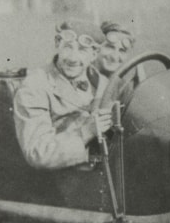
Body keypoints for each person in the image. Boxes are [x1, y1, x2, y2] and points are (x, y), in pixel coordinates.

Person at [13, 21, 116, 170]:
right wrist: (87, 132)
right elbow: (37, 153)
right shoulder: (34, 87)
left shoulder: (103, 84)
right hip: (62, 178)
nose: (73, 58)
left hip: (103, 170)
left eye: (82, 50)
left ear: (94, 54)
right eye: (68, 47)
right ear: (57, 43)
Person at [96, 21, 139, 104]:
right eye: (110, 47)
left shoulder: (123, 89)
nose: (114, 57)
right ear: (97, 47)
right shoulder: (80, 77)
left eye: (122, 50)